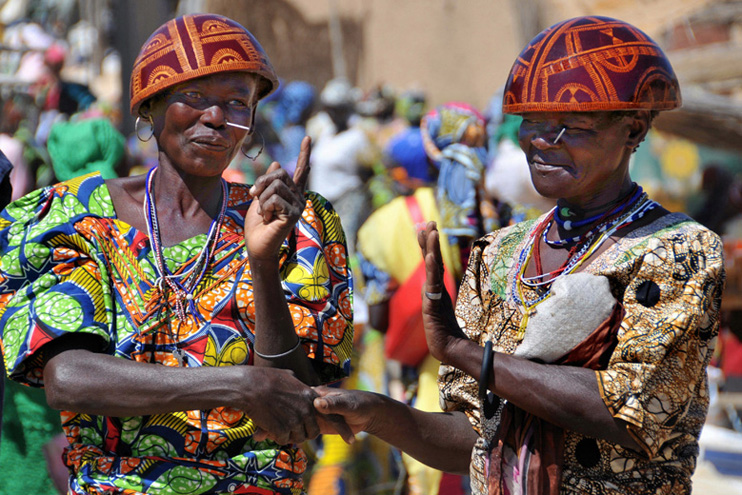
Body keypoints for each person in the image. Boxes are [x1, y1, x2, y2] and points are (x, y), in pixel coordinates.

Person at [314, 16, 725, 495]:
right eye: (532, 122)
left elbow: (635, 406)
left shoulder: (679, 249)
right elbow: (475, 437)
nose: (540, 141)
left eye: (571, 126)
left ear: (632, 130)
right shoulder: (501, 253)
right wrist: (380, 414)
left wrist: (469, 354)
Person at [0, 13, 354, 495]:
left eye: (237, 103)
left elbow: (293, 409)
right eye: (194, 97)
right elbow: (70, 377)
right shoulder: (81, 219)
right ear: (151, 106)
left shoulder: (295, 223)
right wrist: (238, 385)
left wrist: (263, 262)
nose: (216, 118)